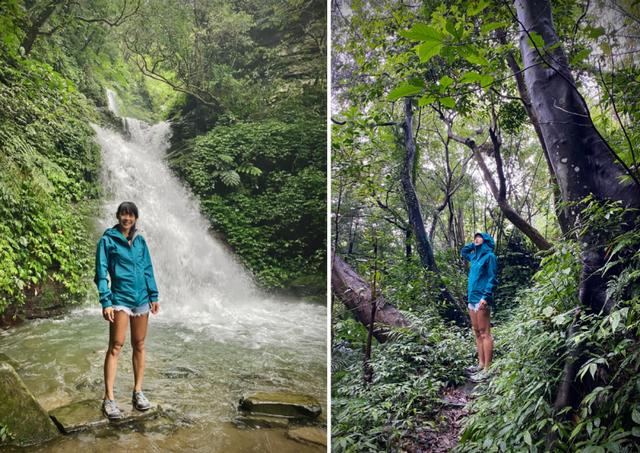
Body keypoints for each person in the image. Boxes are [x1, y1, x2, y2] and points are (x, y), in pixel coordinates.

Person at [94, 201, 160, 419]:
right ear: (118, 216)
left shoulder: (140, 240)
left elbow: (147, 268)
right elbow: (101, 272)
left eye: (131, 215)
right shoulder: (107, 240)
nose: (127, 218)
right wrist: (106, 301)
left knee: (139, 344)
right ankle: (109, 398)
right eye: (123, 214)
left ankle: (138, 391)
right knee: (116, 345)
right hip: (120, 298)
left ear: (135, 218)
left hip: (141, 300)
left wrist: (154, 295)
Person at [460, 232, 498, 382]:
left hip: (482, 299)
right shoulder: (474, 257)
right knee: (477, 332)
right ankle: (481, 364)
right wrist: (474, 245)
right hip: (471, 298)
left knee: (485, 333)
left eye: (479, 237)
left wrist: (486, 297)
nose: (476, 239)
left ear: (486, 241)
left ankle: (488, 368)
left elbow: (492, 278)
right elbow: (463, 252)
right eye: (475, 237)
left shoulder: (490, 257)